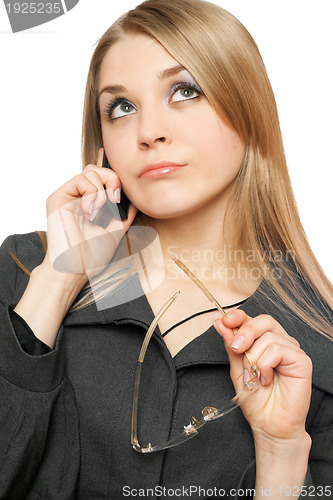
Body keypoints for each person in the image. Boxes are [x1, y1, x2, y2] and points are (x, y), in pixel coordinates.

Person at [0, 0, 332, 498]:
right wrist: (60, 279)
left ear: (249, 110)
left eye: (185, 91)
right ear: (102, 142)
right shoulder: (25, 271)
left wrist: (281, 452)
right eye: (122, 107)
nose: (149, 132)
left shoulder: (315, 341)